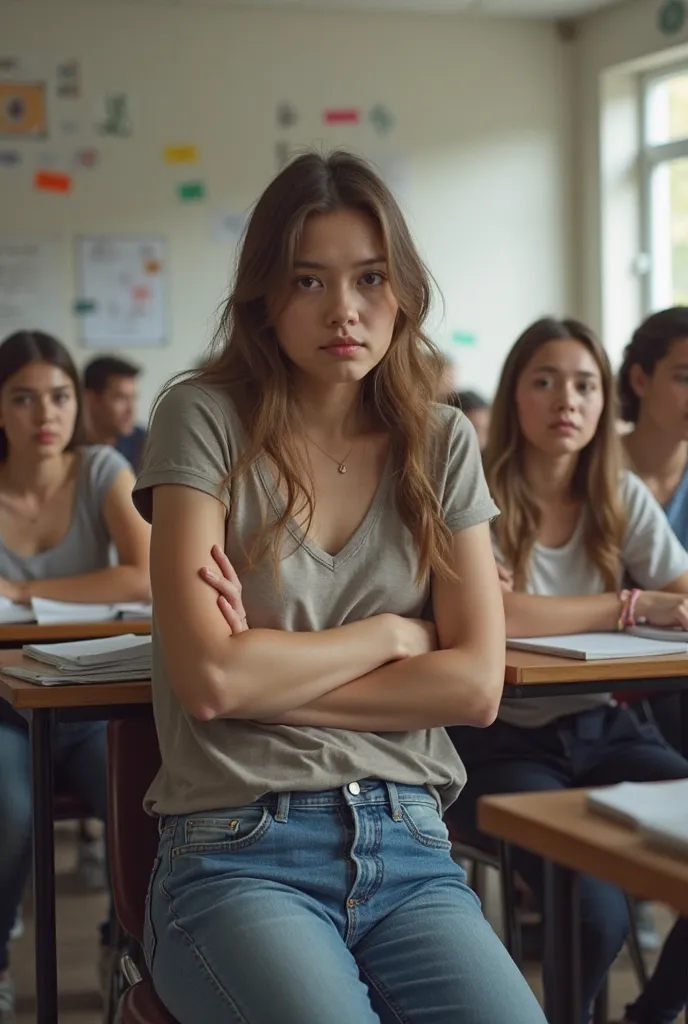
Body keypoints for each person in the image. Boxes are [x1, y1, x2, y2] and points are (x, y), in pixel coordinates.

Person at [131, 151, 547, 1024]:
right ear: (265, 300)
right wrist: (398, 636)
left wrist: (268, 674)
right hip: (236, 847)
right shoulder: (200, 417)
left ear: (403, 291)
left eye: (370, 278)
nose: (345, 310)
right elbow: (211, 681)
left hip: (411, 841)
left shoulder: (440, 441)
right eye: (309, 281)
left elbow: (473, 687)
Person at [446, 316, 688, 1024]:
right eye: (544, 382)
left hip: (598, 725)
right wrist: (627, 603)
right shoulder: (475, 489)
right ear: (513, 394)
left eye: (584, 385)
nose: (566, 401)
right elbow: (498, 618)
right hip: (497, 741)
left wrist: (629, 603)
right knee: (594, 914)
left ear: (606, 401)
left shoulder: (617, 492)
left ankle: (648, 1015)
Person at [0, 330, 151, 1023]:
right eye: (23, 398)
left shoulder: (101, 469)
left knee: (145, 808)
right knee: (12, 814)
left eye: (58, 396)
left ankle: (125, 951)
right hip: (5, 705)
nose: (44, 415)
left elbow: (147, 572)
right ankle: (1, 960)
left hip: (94, 697)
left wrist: (24, 593)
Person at [613, 305, 688, 1024]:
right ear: (640, 378)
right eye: (685, 377)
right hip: (603, 692)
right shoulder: (584, 466)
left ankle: (657, 1007)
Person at [83, 355, 147, 471]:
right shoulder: (69, 445)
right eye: (121, 398)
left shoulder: (145, 444)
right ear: (91, 399)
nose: (131, 410)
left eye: (133, 398)